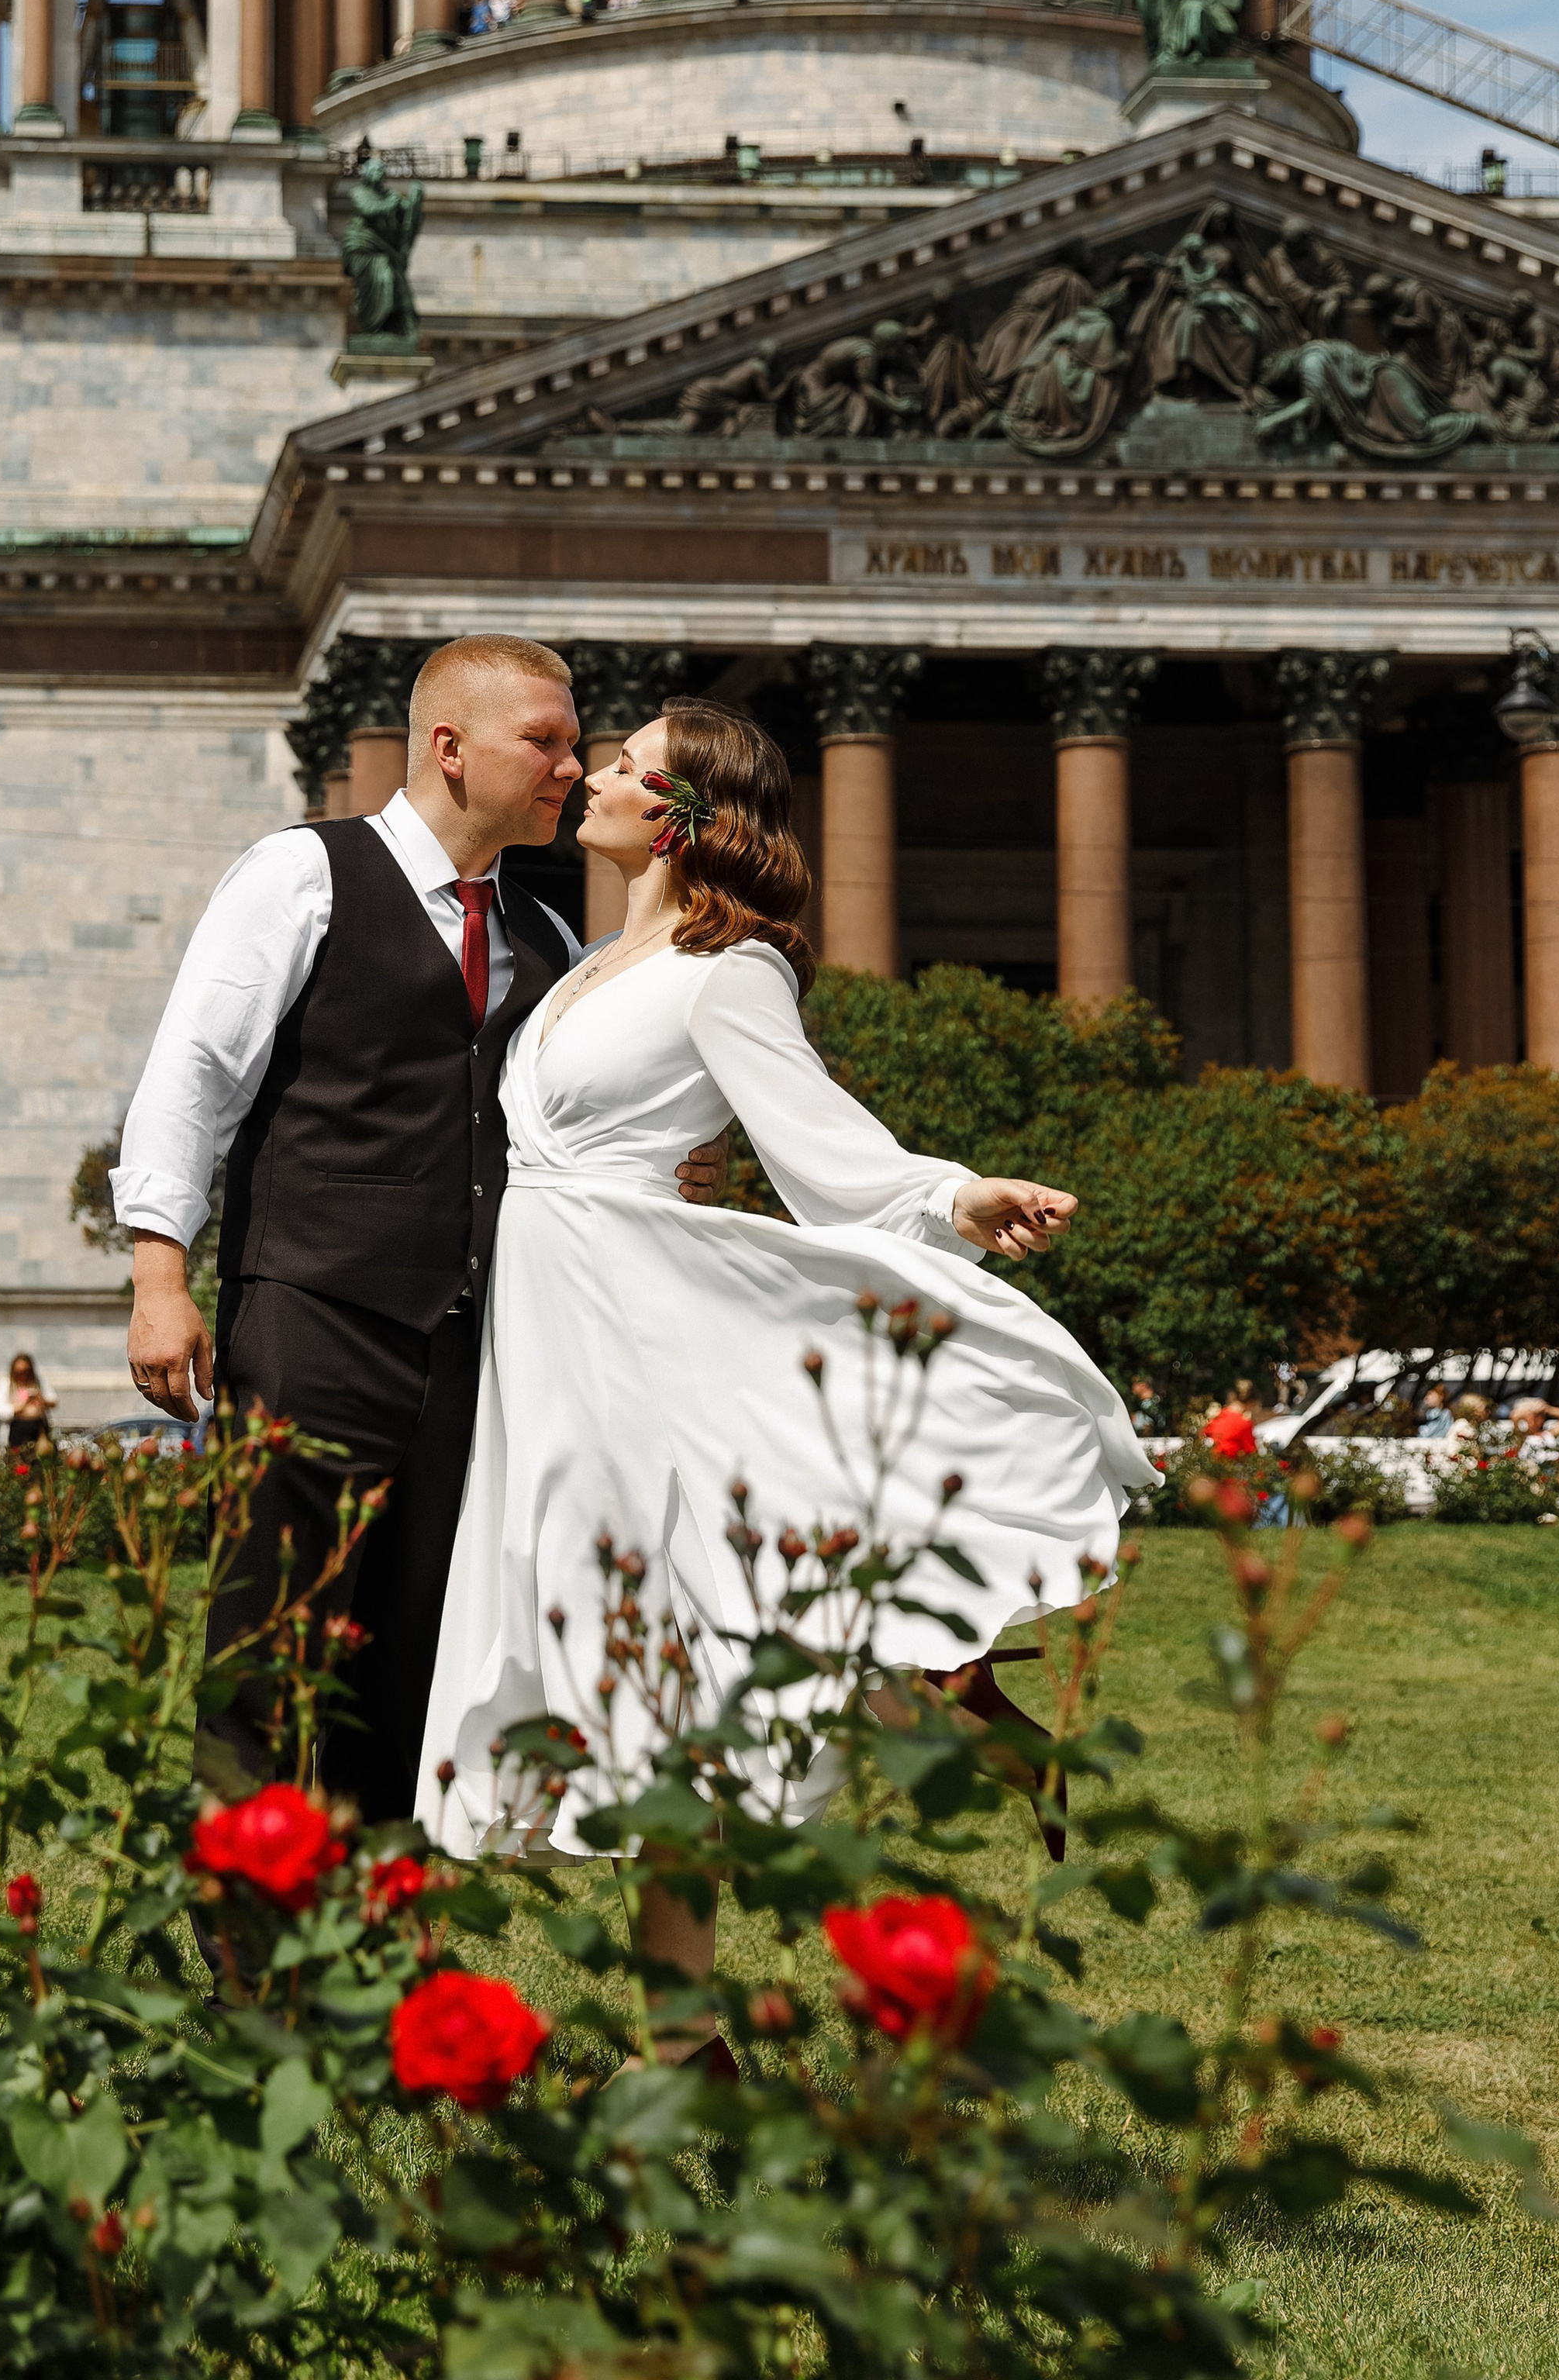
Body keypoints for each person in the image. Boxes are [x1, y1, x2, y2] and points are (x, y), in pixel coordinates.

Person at [417, 699, 1154, 2002]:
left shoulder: (728, 966)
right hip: (552, 1342)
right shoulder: (582, 961)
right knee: (659, 1652)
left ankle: (685, 2032)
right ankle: (978, 1737)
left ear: (679, 815)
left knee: (654, 1660)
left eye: (624, 764)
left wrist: (952, 1194)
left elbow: (823, 1146)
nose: (588, 775)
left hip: (628, 1342)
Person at [112, 635, 729, 1824]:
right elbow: (195, 1071)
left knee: (416, 1650)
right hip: (310, 1321)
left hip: (467, 1352)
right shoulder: (301, 875)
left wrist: (673, 1159)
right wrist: (158, 1274)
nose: (571, 766)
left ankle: (372, 1915)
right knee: (277, 1632)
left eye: (575, 743)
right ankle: (247, 1925)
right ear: (450, 748)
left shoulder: (549, 946)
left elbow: (560, 1128)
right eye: (545, 741)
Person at [0, 1351, 57, 1453]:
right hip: (17, 1431)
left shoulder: (38, 1382)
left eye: (26, 1372)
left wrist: (40, 1400)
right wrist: (22, 1405)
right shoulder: (6, 1384)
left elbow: (53, 1401)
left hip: (38, 1431)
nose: (23, 1376)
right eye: (19, 1372)